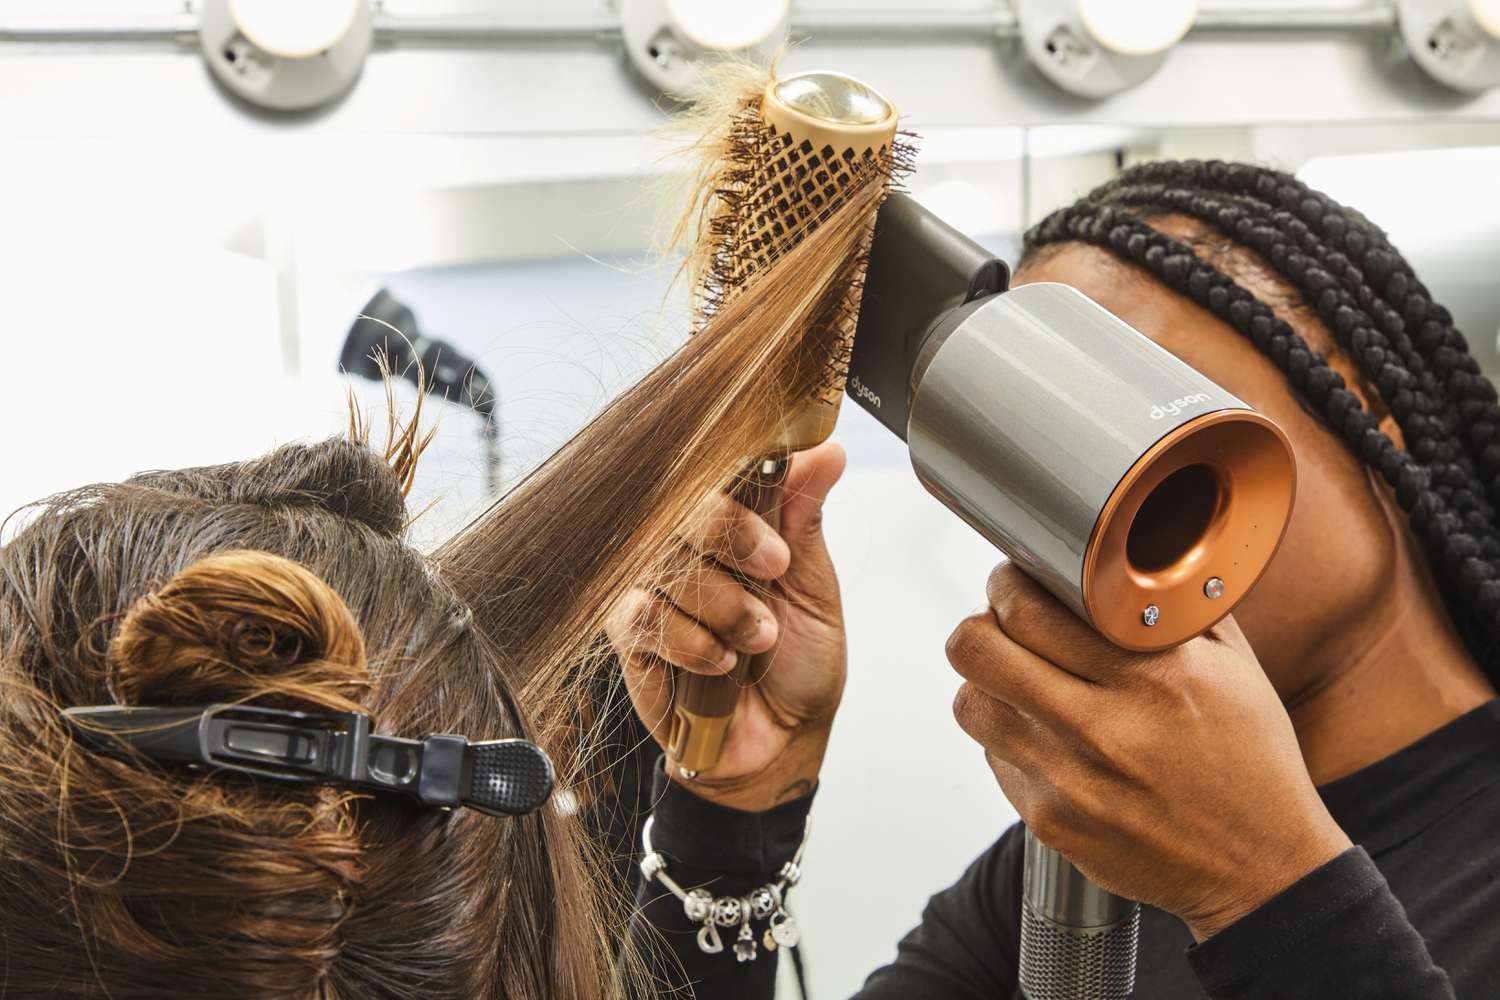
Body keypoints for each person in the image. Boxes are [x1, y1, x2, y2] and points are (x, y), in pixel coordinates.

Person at [609, 161, 1500, 998]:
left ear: (1359, 405)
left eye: (1140, 422)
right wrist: (732, 810)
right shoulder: (1072, 861)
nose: (1103, 526)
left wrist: (1262, 883)